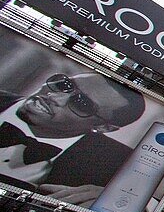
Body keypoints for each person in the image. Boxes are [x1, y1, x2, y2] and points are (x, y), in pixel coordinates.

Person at [0, 70, 146, 202]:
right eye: (64, 85)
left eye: (81, 103)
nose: (54, 97)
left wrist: (113, 201)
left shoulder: (120, 163)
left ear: (103, 127)